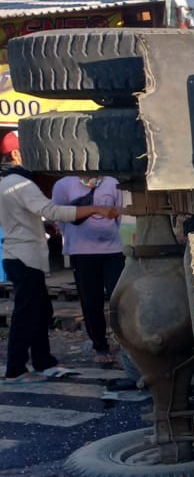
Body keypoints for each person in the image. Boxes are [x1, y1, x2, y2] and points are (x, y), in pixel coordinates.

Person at [0, 133, 121, 383]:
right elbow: (51, 210)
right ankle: (16, 369)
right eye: (31, 151)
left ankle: (44, 361)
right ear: (16, 154)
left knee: (42, 310)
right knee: (27, 314)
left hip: (19, 255)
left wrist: (40, 227)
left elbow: (20, 216)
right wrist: (96, 208)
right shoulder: (20, 183)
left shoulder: (5, 183)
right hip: (26, 257)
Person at [50, 174, 125, 365]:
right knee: (91, 302)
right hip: (81, 252)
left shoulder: (112, 182)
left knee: (121, 299)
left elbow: (118, 215)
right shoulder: (64, 184)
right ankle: (100, 346)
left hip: (113, 250)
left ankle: (127, 343)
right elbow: (58, 215)